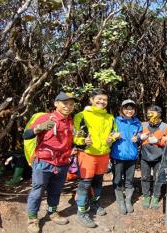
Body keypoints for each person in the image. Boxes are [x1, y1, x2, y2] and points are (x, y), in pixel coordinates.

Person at [23, 91, 76, 233]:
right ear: (56, 104)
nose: (68, 106)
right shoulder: (46, 118)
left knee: (56, 191)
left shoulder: (70, 120)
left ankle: (52, 212)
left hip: (63, 163)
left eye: (71, 104)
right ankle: (33, 219)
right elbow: (26, 135)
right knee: (37, 191)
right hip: (44, 162)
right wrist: (38, 128)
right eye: (65, 103)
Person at [73, 88, 118, 228]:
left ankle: (94, 203)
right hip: (87, 154)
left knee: (98, 181)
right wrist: (82, 141)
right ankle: (81, 212)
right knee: (85, 183)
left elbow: (114, 133)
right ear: (91, 100)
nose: (102, 101)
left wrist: (113, 138)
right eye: (99, 99)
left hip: (104, 154)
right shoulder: (81, 115)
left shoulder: (110, 117)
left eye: (104, 99)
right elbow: (74, 136)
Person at [110, 99, 142, 215]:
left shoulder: (137, 122)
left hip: (132, 156)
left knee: (129, 180)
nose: (129, 111)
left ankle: (128, 200)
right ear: (122, 110)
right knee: (118, 179)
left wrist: (137, 138)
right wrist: (113, 136)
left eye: (131, 108)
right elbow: (108, 134)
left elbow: (140, 135)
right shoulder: (115, 121)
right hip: (118, 155)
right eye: (126, 108)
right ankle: (120, 201)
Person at [140, 105, 167, 209]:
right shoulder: (143, 125)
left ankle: (156, 197)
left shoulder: (166, 127)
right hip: (145, 156)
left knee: (157, 177)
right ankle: (146, 196)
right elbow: (135, 138)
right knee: (145, 177)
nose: (150, 115)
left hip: (159, 156)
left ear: (159, 114)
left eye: (152, 112)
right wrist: (140, 138)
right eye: (149, 113)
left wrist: (158, 141)